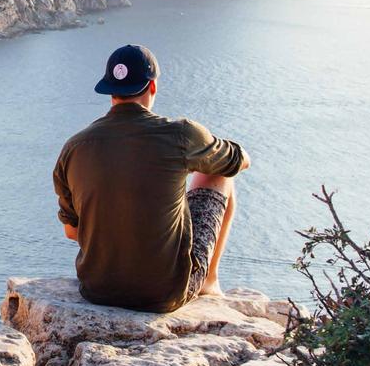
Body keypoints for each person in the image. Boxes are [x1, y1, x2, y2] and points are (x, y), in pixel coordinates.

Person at [52, 44, 250, 313]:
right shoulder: (181, 135)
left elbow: (72, 231)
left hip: (97, 289)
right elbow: (238, 161)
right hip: (164, 294)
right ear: (152, 87)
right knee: (220, 174)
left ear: (110, 90)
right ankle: (209, 281)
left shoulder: (74, 147)